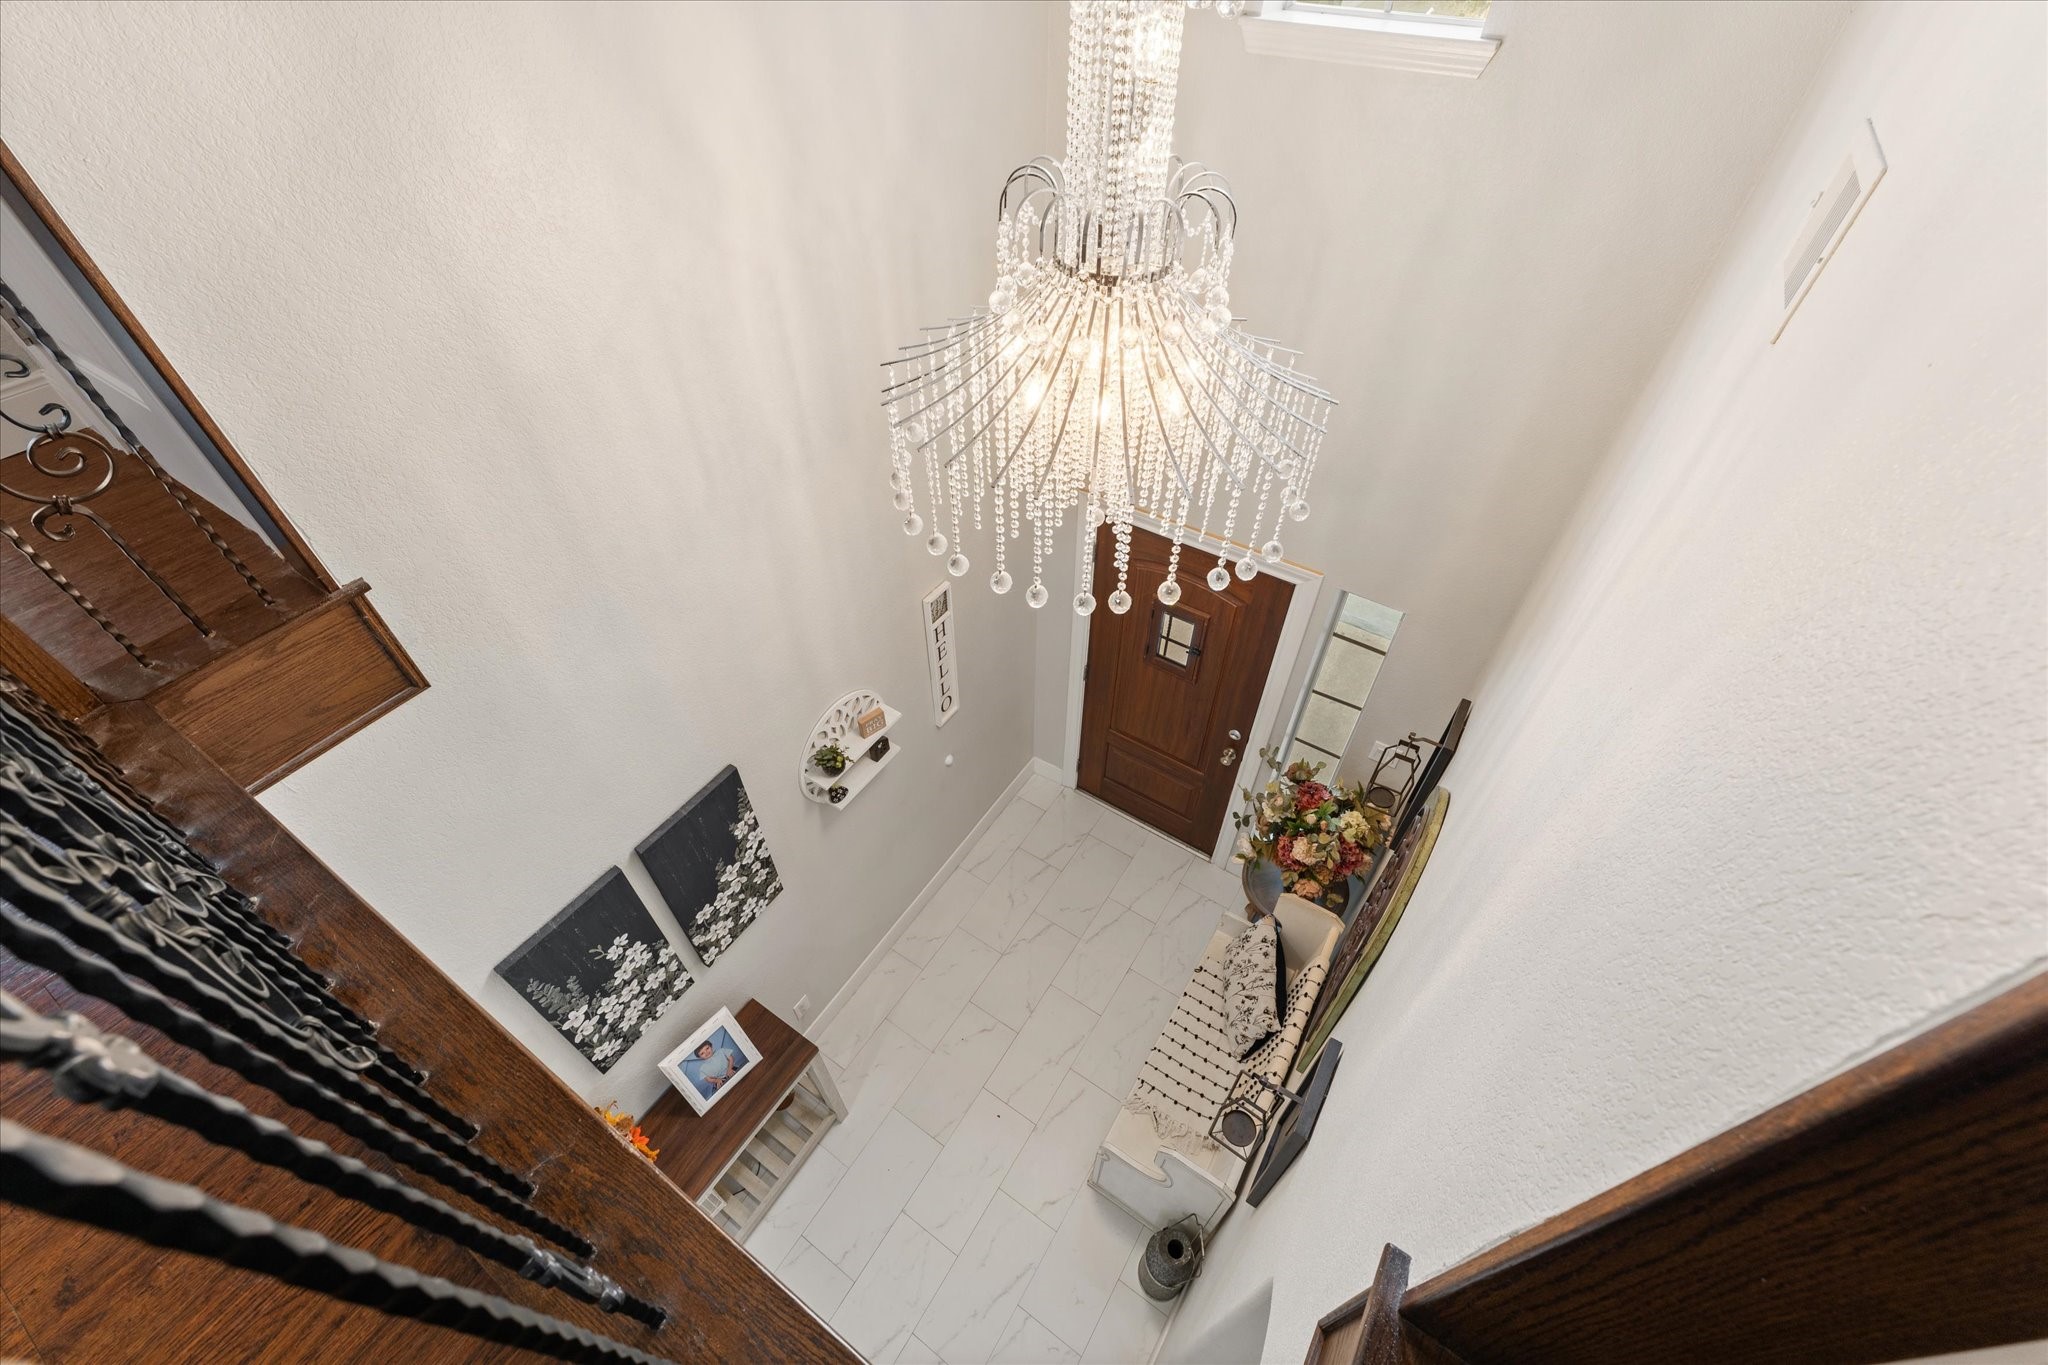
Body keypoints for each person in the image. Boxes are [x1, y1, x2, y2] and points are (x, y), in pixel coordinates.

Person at [681, 1031, 741, 1099]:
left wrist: (730, 1068)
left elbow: (731, 1058)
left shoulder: (721, 1051)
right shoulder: (703, 1068)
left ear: (711, 1046)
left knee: (740, 1076)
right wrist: (717, 1080)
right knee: (723, 1092)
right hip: (720, 1080)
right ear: (699, 1057)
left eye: (707, 1048)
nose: (706, 1052)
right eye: (702, 1053)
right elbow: (708, 1079)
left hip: (731, 1069)